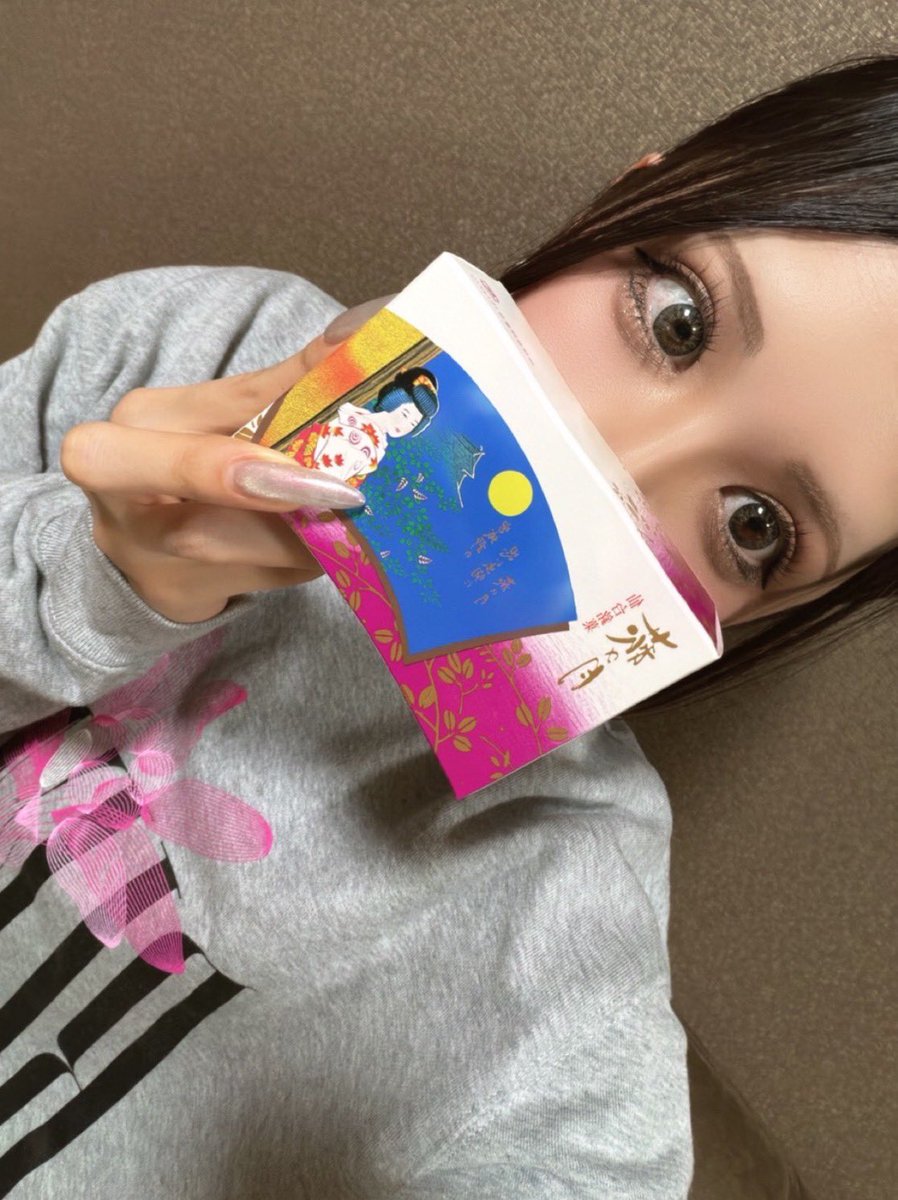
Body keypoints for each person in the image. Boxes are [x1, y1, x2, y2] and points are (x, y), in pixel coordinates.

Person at [0, 52, 895, 1198]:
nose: (616, 467)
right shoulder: (201, 341)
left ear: (775, 603)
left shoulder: (558, 889)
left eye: (755, 525)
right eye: (676, 321)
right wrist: (93, 582)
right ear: (623, 204)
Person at [281, 368, 439, 487]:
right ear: (393, 400)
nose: (403, 425)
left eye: (412, 424)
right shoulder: (357, 426)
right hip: (302, 476)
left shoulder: (377, 443)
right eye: (405, 414)